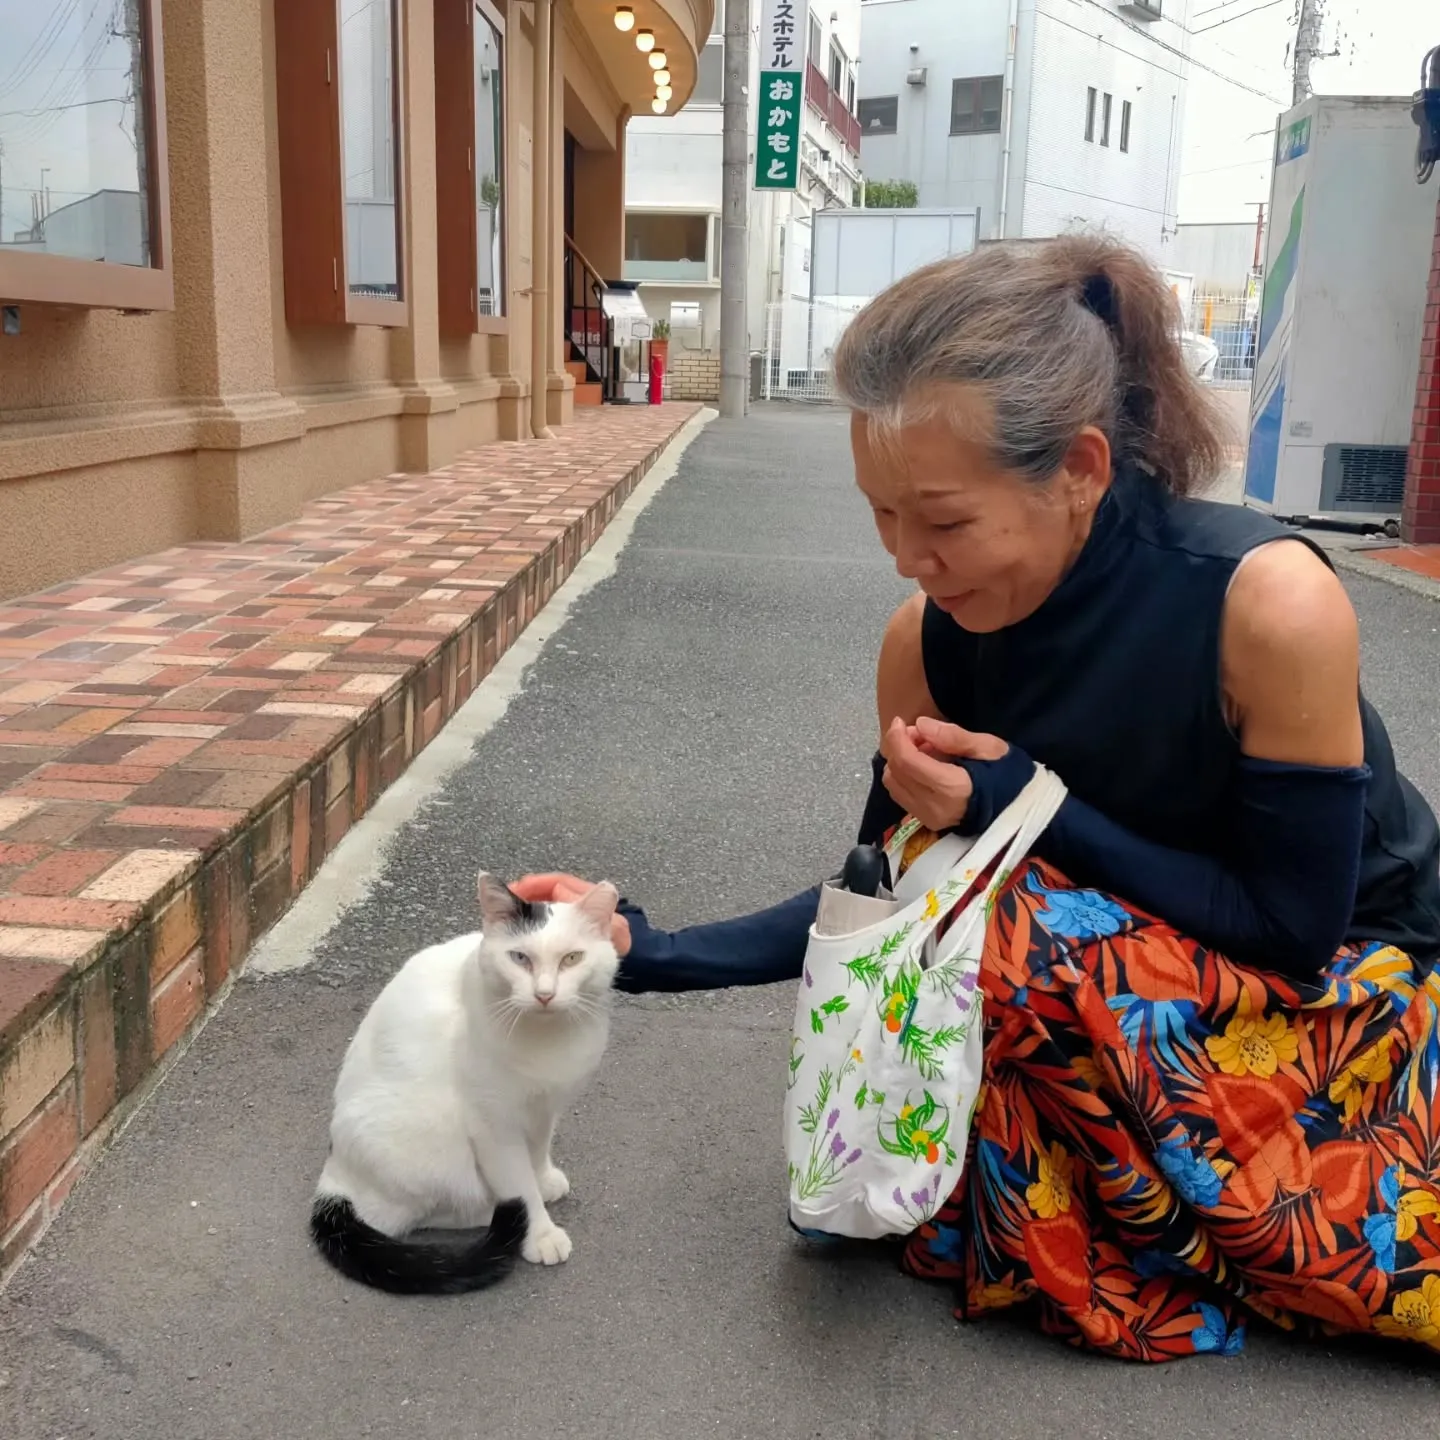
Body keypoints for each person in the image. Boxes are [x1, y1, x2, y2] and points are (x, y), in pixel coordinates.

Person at [515, 235, 1440, 1363]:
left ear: (1083, 470)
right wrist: (642, 949)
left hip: (1357, 979)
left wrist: (1020, 803)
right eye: (880, 514)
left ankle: (1225, 1216)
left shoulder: (1269, 604)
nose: (909, 559)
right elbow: (887, 910)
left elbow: (1292, 933)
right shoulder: (925, 642)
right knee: (968, 931)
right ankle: (1138, 1198)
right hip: (1147, 964)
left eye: (944, 521)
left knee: (1008, 926)